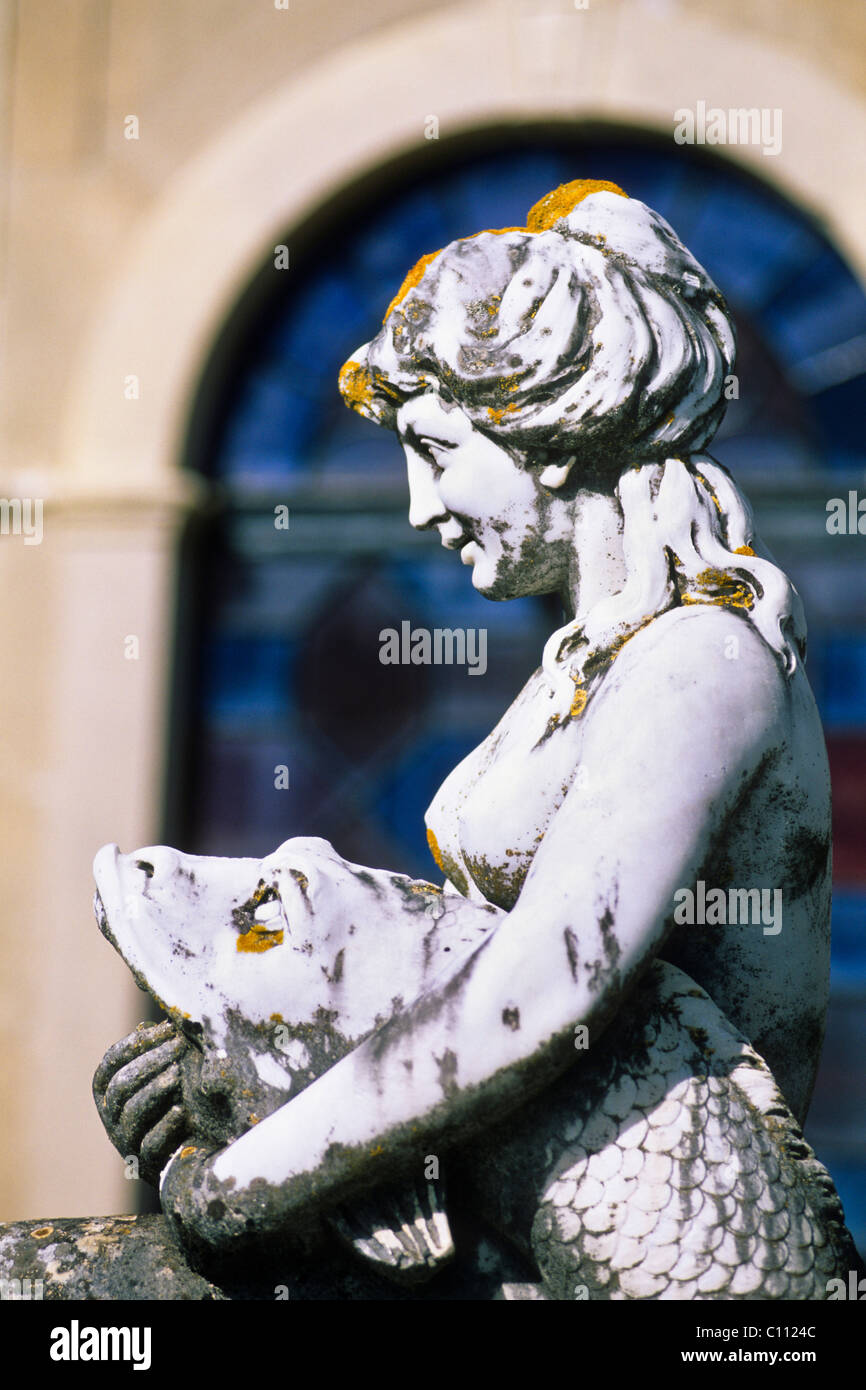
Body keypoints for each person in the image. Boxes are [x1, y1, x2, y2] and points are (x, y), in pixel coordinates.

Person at [95, 180, 846, 1296]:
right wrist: (225, 1064)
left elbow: (543, 992)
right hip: (524, 1233)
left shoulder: (703, 662)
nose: (414, 506)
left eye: (436, 452)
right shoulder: (584, 667)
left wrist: (248, 1183)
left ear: (546, 432)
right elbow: (417, 975)